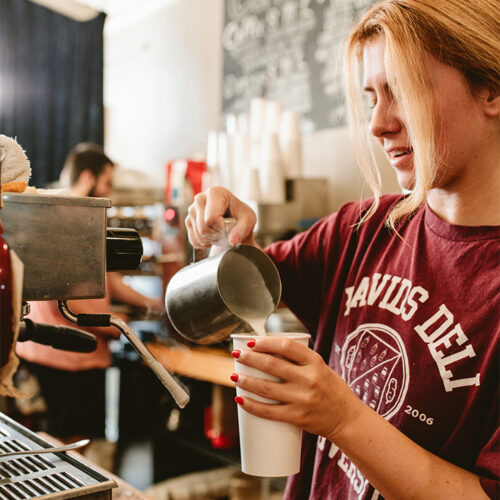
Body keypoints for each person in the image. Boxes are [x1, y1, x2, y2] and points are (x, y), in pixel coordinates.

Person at [185, 1, 499, 498]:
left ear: (491, 90)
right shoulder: (364, 229)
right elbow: (230, 300)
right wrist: (222, 239)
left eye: (401, 90)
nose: (378, 125)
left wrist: (342, 419)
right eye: (372, 96)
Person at [16, 142, 163, 442]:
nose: (109, 192)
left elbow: (110, 281)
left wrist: (157, 305)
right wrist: (119, 327)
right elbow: (72, 306)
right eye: (106, 182)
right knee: (72, 444)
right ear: (87, 177)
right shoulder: (73, 220)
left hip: (48, 353)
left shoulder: (70, 218)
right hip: (68, 356)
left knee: (56, 440)